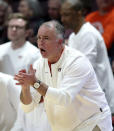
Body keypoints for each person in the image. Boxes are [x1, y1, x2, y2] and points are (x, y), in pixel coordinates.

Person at [15, 20, 112, 131]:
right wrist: (25, 88)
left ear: (60, 42)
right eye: (39, 38)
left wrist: (35, 83)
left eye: (46, 38)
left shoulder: (76, 61)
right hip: (64, 127)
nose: (40, 42)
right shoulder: (38, 65)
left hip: (91, 122)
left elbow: (64, 98)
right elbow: (28, 107)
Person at [60, 0, 114, 116]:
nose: (63, 19)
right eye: (62, 15)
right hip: (85, 97)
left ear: (79, 13)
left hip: (99, 96)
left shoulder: (88, 34)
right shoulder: (74, 36)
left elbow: (85, 70)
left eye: (67, 14)